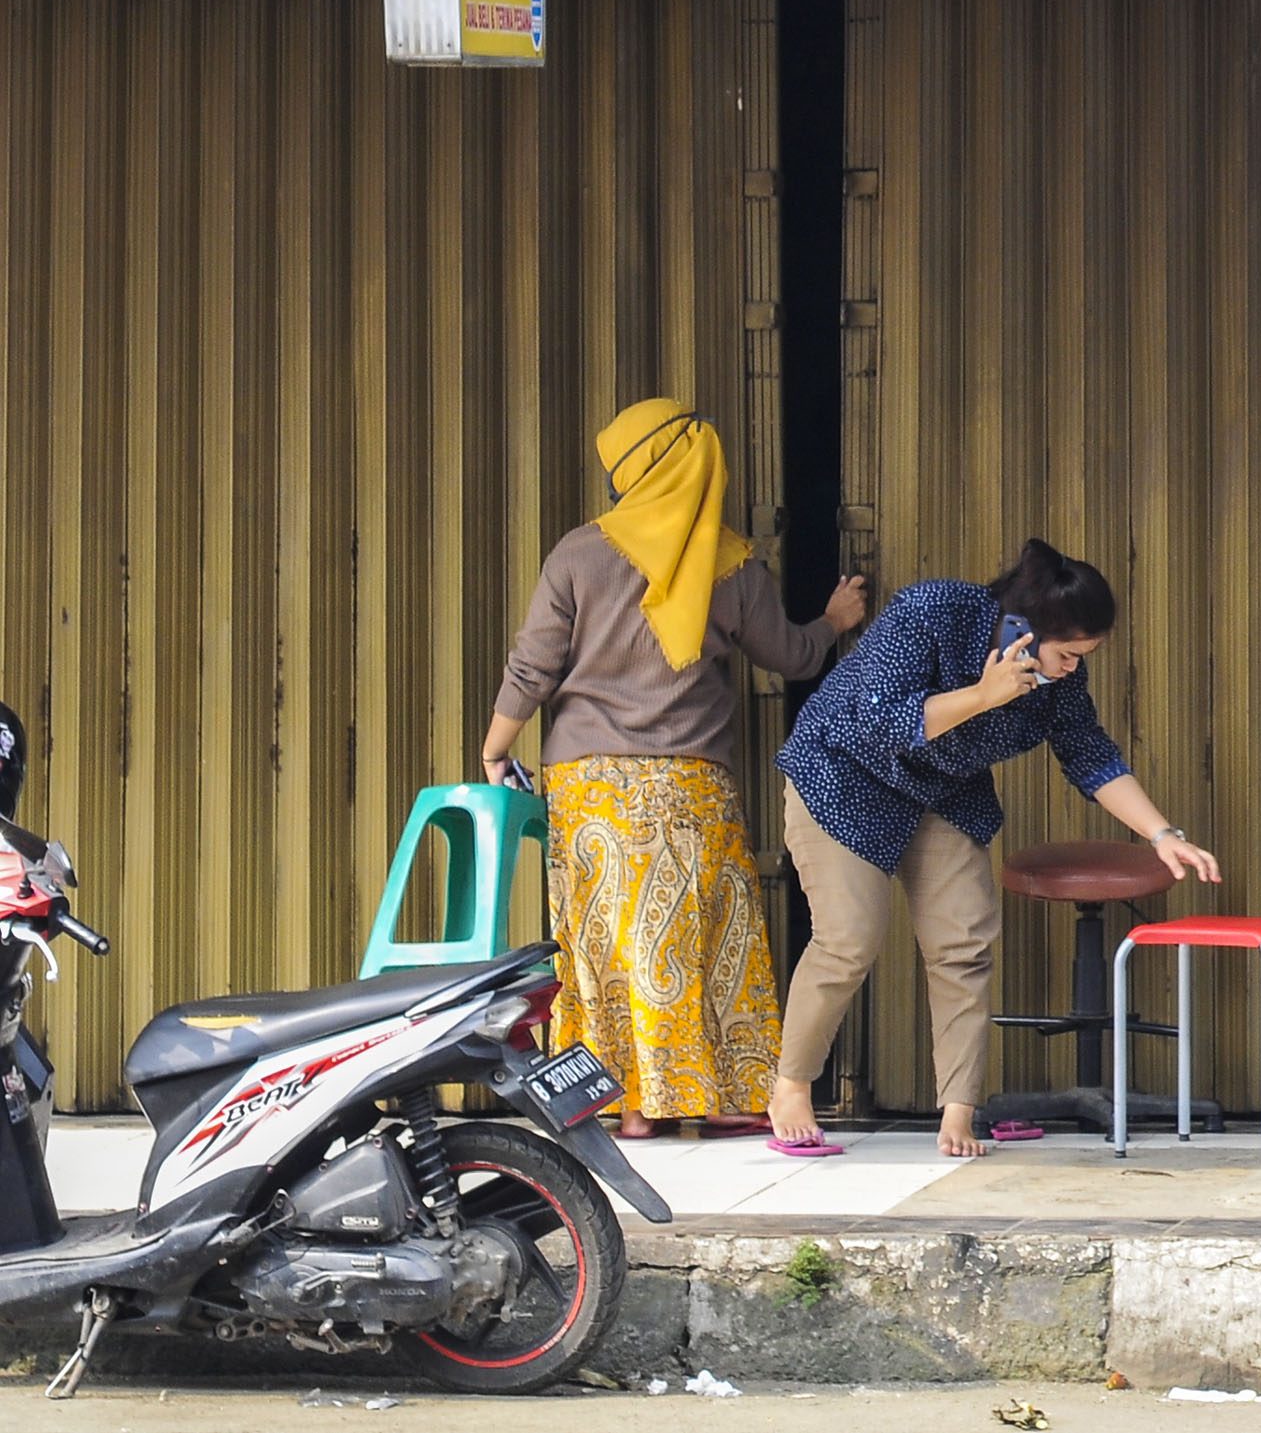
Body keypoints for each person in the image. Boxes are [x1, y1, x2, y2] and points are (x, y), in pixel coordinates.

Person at [482, 400, 871, 1140]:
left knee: (611, 949)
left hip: (590, 791)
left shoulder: (578, 554)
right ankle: (715, 1095)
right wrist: (835, 621)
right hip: (690, 787)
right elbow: (792, 657)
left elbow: (533, 668)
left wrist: (495, 749)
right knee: (705, 941)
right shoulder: (732, 564)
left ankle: (629, 1105)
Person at [767, 539, 1218, 1159]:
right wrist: (986, 694)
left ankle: (958, 1110)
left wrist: (1163, 834)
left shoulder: (1058, 682)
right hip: (845, 774)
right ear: (1025, 631)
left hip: (943, 791)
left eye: (1084, 656)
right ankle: (792, 1086)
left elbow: (1089, 754)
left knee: (963, 941)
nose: (1073, 668)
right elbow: (881, 721)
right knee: (849, 938)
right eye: (1068, 653)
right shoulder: (934, 610)